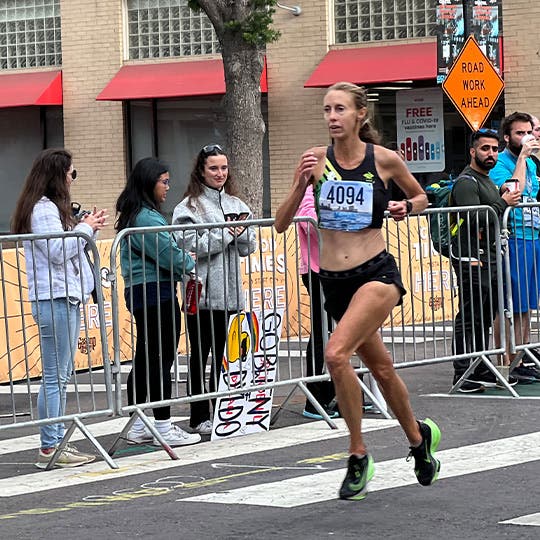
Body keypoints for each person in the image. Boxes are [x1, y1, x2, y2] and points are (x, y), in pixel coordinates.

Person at [274, 82, 440, 501]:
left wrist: (406, 207)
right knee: (382, 370)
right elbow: (280, 223)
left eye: (341, 109)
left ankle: (357, 453)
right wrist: (299, 184)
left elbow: (420, 196)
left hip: (377, 274)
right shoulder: (315, 161)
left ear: (360, 115)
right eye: (327, 109)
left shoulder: (383, 160)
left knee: (335, 354)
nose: (332, 117)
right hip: (334, 282)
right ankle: (419, 440)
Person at [11, 148, 106, 469]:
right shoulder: (43, 210)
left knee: (60, 376)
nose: (72, 179)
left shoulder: (47, 208)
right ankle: (51, 446)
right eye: (71, 174)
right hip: (54, 299)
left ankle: (56, 441)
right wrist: (85, 229)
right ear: (57, 176)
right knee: (55, 377)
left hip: (61, 297)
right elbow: (56, 251)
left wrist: (85, 228)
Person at [115, 157, 201, 447]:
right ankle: (162, 425)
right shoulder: (146, 217)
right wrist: (187, 260)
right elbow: (169, 255)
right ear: (149, 183)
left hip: (144, 291)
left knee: (146, 357)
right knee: (160, 358)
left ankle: (138, 422)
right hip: (155, 292)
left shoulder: (136, 214)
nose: (168, 187)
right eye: (163, 181)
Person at [172, 144, 256, 435]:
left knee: (229, 356)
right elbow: (188, 245)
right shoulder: (188, 207)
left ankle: (226, 412)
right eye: (213, 168)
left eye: (224, 168)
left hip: (233, 294)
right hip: (203, 295)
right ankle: (198, 416)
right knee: (200, 355)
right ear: (201, 171)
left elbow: (249, 246)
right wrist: (225, 234)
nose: (220, 173)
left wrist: (241, 234)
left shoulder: (236, 204)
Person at [451, 129, 521, 393]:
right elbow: (476, 217)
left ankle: (480, 365)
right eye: (484, 149)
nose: (490, 154)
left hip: (491, 257)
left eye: (493, 149)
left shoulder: (487, 180)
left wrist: (500, 197)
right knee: (470, 315)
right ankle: (462, 371)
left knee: (486, 314)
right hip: (471, 258)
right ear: (472, 151)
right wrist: (503, 202)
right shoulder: (467, 182)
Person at [489, 112, 540, 383]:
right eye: (519, 133)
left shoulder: (532, 164)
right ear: (507, 137)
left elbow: (533, 193)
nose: (526, 138)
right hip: (513, 235)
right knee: (510, 301)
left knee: (528, 303)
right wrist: (521, 158)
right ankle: (506, 357)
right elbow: (515, 191)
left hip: (533, 235)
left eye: (528, 132)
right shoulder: (502, 163)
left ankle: (523, 354)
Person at [295, 185, 338, 419]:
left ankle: (339, 393)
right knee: (322, 331)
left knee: (340, 330)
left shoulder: (335, 186)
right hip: (316, 269)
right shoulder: (310, 190)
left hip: (339, 267)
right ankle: (315, 398)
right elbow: (307, 221)